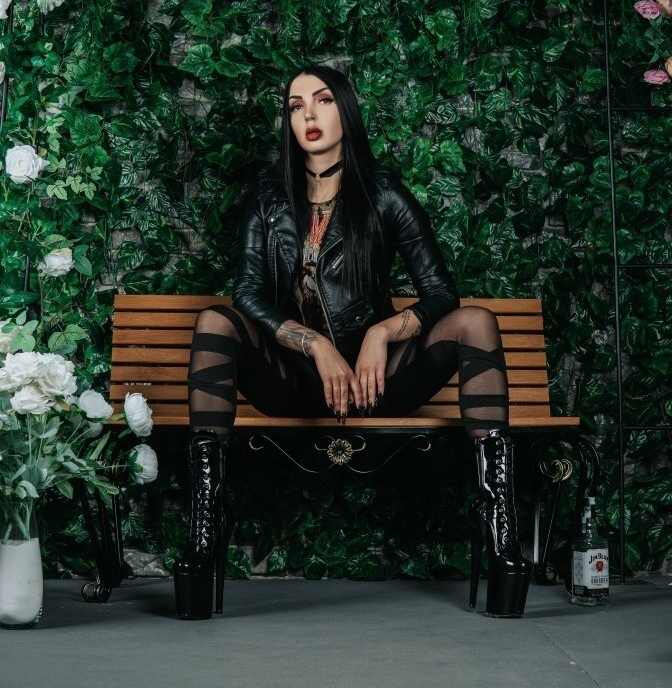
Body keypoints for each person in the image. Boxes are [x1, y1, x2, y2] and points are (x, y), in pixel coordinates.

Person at [173, 66, 531, 620]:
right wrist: (314, 344)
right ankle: (204, 528)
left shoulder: (382, 192)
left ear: (345, 109)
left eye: (321, 101)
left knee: (477, 321)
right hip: (294, 384)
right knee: (214, 322)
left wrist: (382, 334)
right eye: (295, 106)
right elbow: (246, 292)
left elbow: (441, 293)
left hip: (374, 384)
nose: (309, 115)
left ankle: (501, 532)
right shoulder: (269, 198)